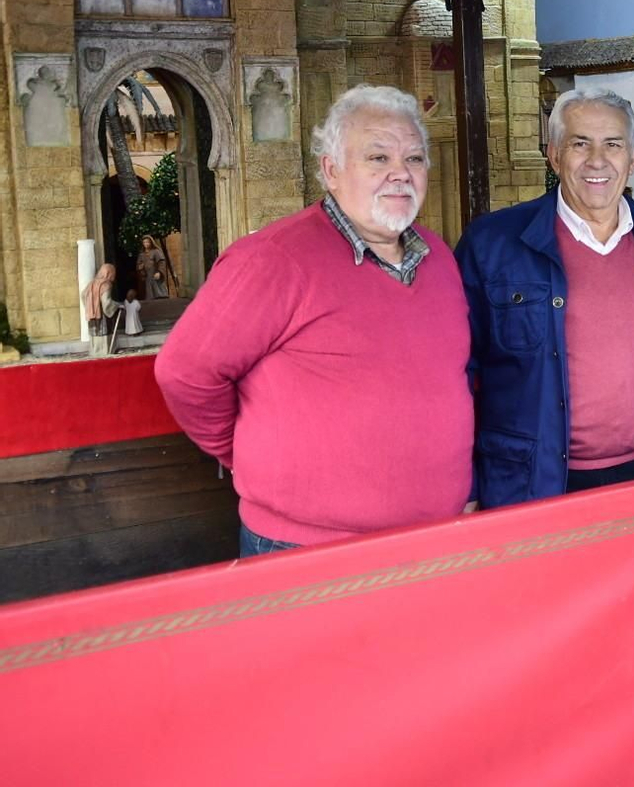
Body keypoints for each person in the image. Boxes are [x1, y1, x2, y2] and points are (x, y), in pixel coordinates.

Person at [155, 86, 474, 556]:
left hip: (434, 539)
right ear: (331, 170)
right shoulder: (272, 259)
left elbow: (455, 381)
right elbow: (184, 373)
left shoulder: (440, 257)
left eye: (415, 159)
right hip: (305, 547)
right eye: (378, 157)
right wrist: (247, 453)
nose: (400, 174)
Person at [457, 87, 634, 505]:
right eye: (579, 144)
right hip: (534, 483)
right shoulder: (492, 244)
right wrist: (468, 488)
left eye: (612, 144)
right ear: (554, 155)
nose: (597, 161)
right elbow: (458, 371)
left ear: (633, 157)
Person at [82, 263, 120, 358]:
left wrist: (89, 307)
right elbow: (106, 303)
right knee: (104, 332)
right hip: (102, 315)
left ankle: (95, 351)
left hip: (91, 314)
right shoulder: (106, 284)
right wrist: (117, 305)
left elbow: (83, 295)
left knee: (94, 333)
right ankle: (104, 352)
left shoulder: (91, 283)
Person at [137, 235, 173, 299]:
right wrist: (141, 268)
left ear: (151, 242)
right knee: (150, 295)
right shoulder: (141, 254)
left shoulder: (156, 252)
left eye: (148, 242)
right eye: (144, 242)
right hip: (148, 277)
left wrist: (159, 272)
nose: (146, 244)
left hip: (155, 274)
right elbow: (139, 265)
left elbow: (161, 262)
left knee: (159, 293)